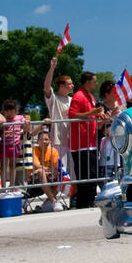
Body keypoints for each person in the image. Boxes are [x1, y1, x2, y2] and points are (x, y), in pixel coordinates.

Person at [68, 72, 104, 208]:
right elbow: (72, 115)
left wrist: (100, 115)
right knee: (85, 176)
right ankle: (84, 203)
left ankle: (90, 201)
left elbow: (92, 114)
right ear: (87, 82)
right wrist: (92, 113)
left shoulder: (90, 97)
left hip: (90, 142)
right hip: (81, 144)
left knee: (92, 175)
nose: (96, 84)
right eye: (94, 81)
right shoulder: (79, 96)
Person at [43, 56, 74, 200]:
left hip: (72, 141)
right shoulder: (54, 99)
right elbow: (46, 88)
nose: (72, 85)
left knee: (72, 173)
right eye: (69, 83)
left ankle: (71, 198)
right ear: (61, 86)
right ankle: (56, 200)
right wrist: (52, 68)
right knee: (60, 172)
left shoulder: (72, 100)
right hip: (58, 140)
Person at [31, 126, 65, 210]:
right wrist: (49, 170)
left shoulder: (53, 151)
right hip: (35, 178)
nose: (44, 142)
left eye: (46, 139)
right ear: (38, 141)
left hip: (50, 176)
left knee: (62, 174)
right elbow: (37, 166)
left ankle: (47, 203)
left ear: (49, 141)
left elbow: (56, 167)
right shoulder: (34, 150)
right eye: (41, 140)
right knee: (41, 171)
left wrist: (52, 170)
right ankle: (53, 201)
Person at [0, 99, 29, 187]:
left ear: (16, 110)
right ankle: (4, 186)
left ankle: (12, 186)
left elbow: (26, 128)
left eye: (12, 111)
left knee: (12, 165)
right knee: (3, 166)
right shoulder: (3, 119)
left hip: (15, 145)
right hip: (3, 146)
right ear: (5, 111)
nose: (10, 113)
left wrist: (27, 123)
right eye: (8, 111)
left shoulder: (19, 118)